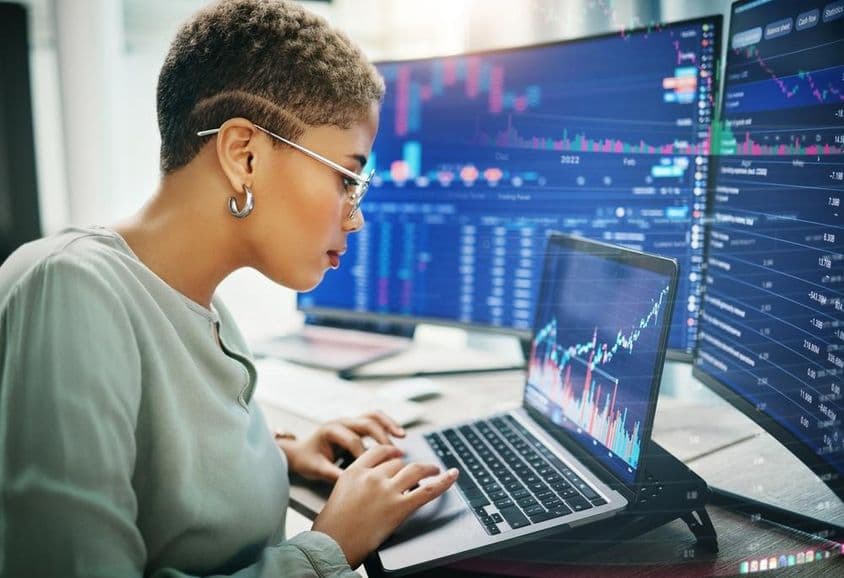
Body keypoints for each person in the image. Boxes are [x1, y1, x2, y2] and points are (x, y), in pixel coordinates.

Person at [0, 0, 458, 575]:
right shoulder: (69, 291)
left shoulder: (199, 306)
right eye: (346, 177)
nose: (354, 217)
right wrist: (329, 549)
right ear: (244, 155)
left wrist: (278, 454)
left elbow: (162, 468)